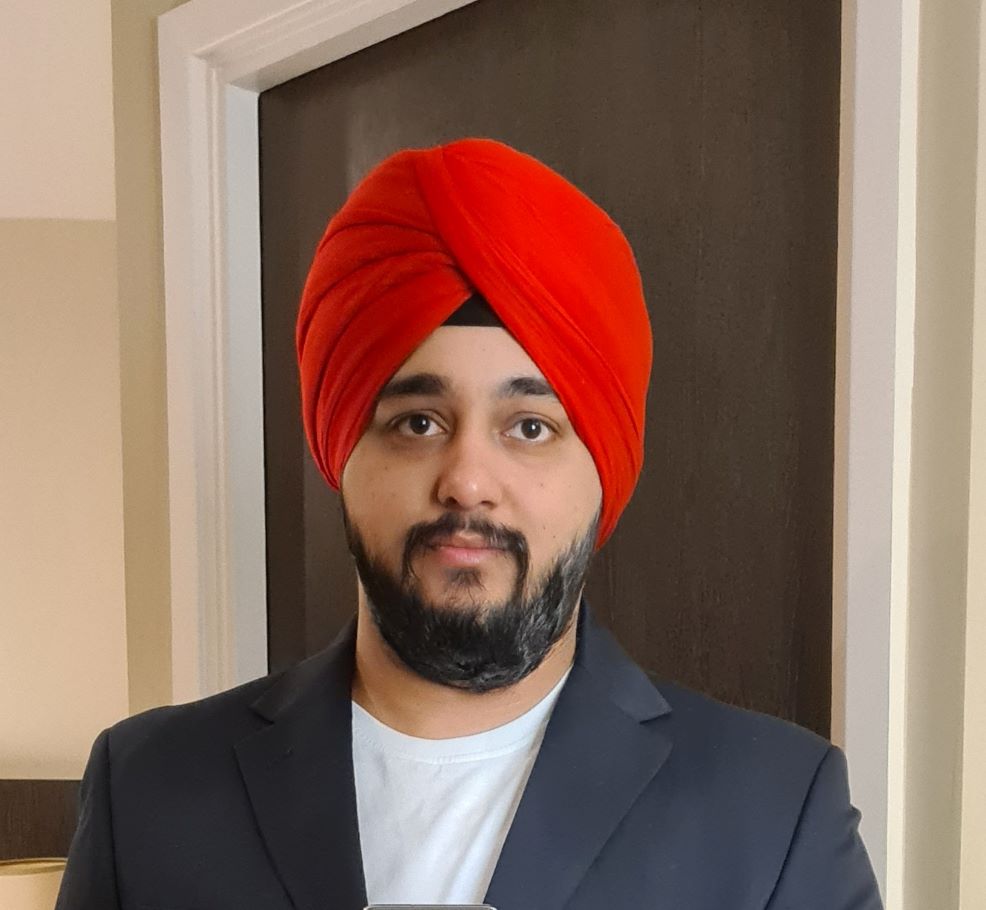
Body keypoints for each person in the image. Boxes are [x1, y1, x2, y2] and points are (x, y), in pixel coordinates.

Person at [55, 138, 882, 910]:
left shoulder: (776, 810)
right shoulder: (148, 787)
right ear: (342, 452)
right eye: (417, 422)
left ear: (604, 469)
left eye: (530, 427)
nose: (468, 481)